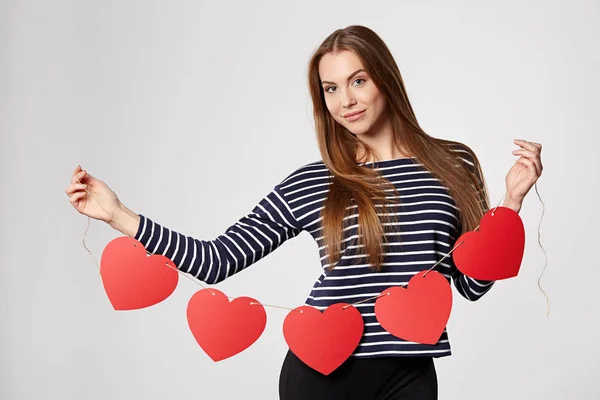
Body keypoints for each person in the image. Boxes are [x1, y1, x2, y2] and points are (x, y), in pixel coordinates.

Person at [65, 25, 543, 400]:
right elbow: (217, 260)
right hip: (322, 374)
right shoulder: (315, 181)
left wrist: (511, 203)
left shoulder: (452, 163)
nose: (347, 100)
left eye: (357, 80)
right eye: (331, 89)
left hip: (412, 374)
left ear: (385, 78)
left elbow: (470, 284)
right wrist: (118, 214)